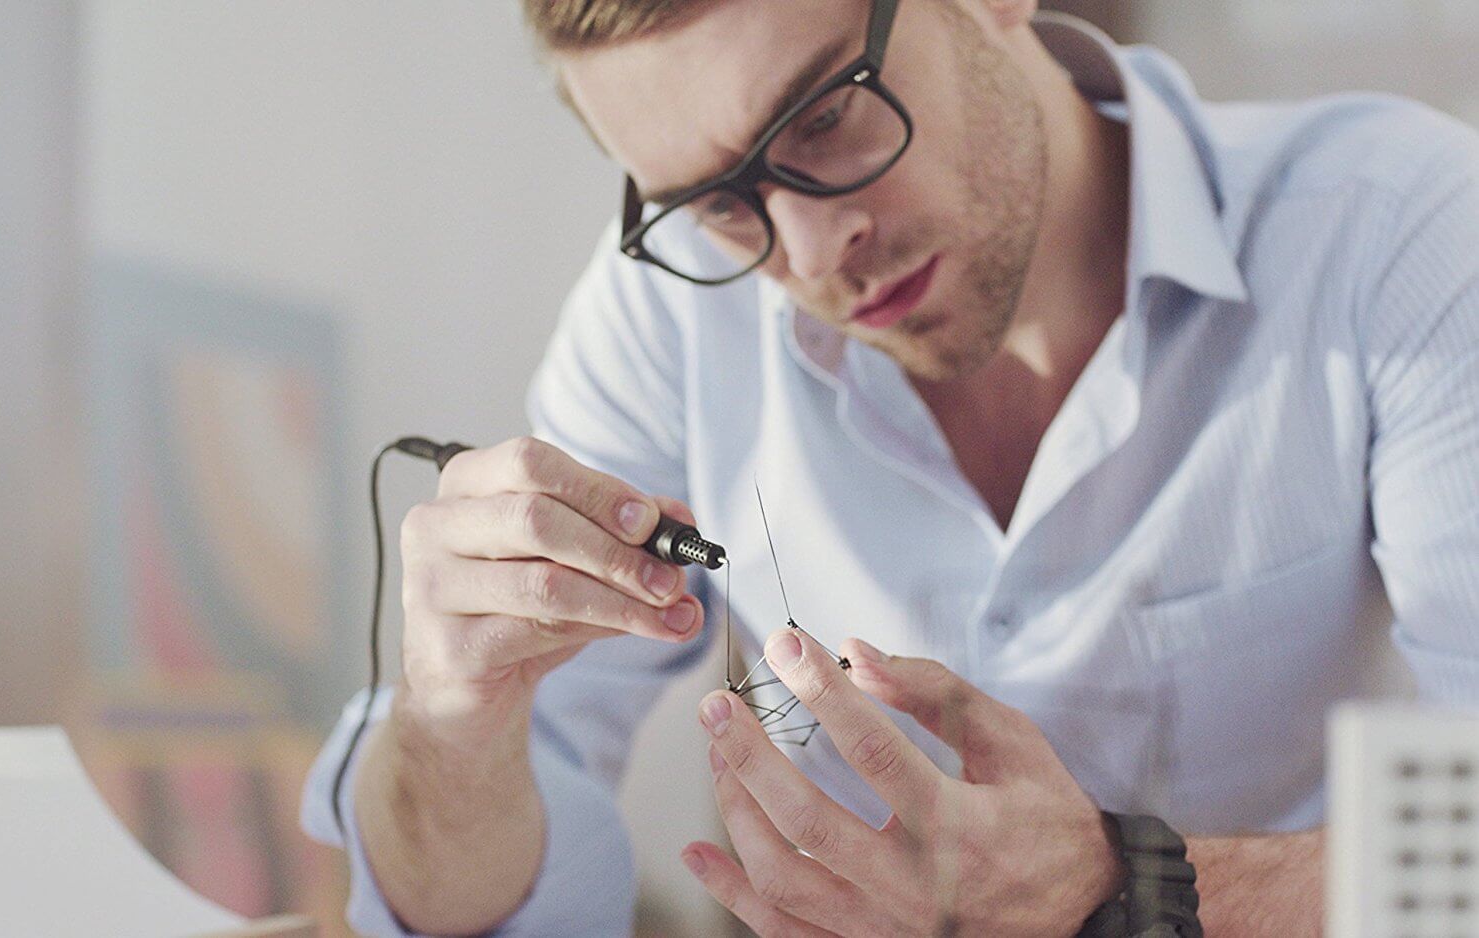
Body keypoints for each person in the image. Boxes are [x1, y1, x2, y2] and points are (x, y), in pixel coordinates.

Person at [301, 0, 1479, 934]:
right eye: (715, 203)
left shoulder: (1395, 234)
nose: (812, 252)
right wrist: (455, 726)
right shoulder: (664, 314)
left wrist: (1134, 892)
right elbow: (470, 903)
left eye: (823, 118)